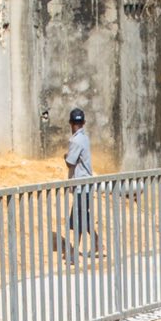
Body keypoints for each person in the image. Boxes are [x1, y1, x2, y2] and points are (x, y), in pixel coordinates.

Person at [63, 108, 101, 263]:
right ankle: (98, 243)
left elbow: (69, 162)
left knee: (78, 219)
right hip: (86, 184)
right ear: (83, 123)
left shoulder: (75, 140)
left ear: (71, 123)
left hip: (80, 185)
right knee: (83, 216)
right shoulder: (85, 138)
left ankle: (74, 253)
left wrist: (65, 156)